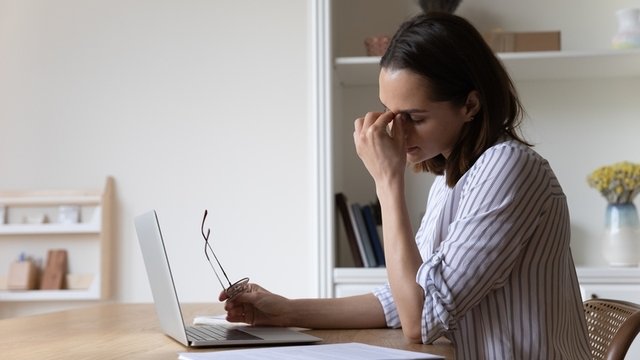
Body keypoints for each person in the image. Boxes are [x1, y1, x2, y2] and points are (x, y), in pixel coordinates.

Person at [220, 12, 591, 359]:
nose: (396, 130)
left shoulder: (508, 167)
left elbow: (419, 320)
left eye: (414, 117)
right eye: (390, 112)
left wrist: (388, 181)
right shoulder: (451, 182)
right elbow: (402, 298)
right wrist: (284, 311)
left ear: (470, 105)